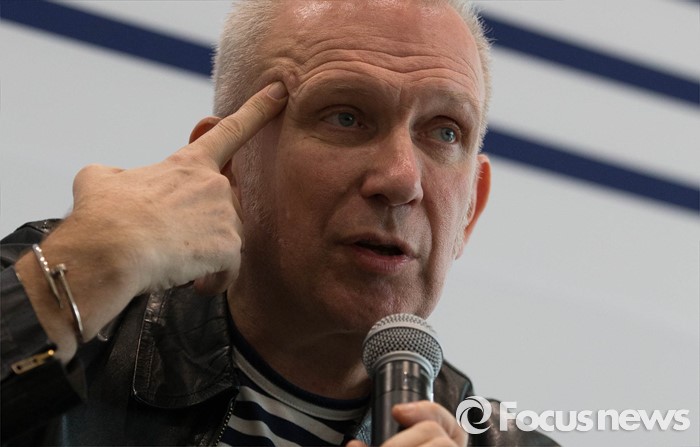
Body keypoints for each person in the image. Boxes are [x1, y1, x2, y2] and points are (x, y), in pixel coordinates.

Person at [1, 0, 557, 445]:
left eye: (444, 131)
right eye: (346, 116)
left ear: (470, 210)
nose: (401, 178)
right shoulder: (64, 295)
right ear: (227, 168)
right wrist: (86, 268)